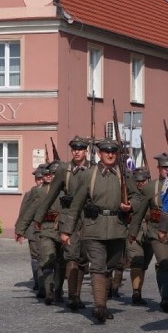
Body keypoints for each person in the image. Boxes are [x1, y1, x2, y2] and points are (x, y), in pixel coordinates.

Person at [60, 138, 138, 323]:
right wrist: (67, 230)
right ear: (100, 154)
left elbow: (138, 197)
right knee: (98, 267)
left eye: (113, 152)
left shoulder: (124, 175)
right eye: (106, 152)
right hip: (94, 228)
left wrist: (130, 205)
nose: (110, 155)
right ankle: (100, 306)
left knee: (110, 265)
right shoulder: (89, 175)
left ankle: (102, 301)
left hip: (117, 228)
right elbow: (76, 205)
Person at [32, 136, 93, 311]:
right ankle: (73, 296)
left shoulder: (93, 169)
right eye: (74, 149)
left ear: (85, 151)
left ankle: (78, 294)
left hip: (88, 217)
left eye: (80, 149)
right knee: (71, 256)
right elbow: (51, 195)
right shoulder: (64, 170)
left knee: (83, 258)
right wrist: (39, 216)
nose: (77, 152)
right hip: (68, 217)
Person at [130, 153, 168, 313]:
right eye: (164, 167)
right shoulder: (150, 187)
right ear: (159, 168)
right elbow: (140, 212)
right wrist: (133, 232)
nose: (166, 170)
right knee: (164, 262)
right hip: (156, 229)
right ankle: (165, 298)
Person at [16, 161, 65, 305]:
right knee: (47, 259)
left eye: (55, 174)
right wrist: (20, 230)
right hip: (46, 228)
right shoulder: (41, 191)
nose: (51, 176)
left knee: (61, 263)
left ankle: (58, 290)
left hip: (63, 229)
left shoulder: (67, 190)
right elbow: (29, 211)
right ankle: (49, 291)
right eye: (50, 174)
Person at [15, 164, 47, 298]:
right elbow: (24, 213)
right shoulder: (30, 194)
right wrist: (19, 230)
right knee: (36, 257)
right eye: (37, 179)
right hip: (33, 229)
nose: (39, 181)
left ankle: (49, 284)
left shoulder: (51, 191)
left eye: (41, 179)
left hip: (48, 228)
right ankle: (39, 282)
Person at [126, 167, 154, 306]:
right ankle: (136, 292)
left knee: (144, 264)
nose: (141, 183)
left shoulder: (154, 191)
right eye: (138, 181)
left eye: (143, 180)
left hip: (151, 231)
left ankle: (138, 290)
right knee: (136, 261)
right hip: (134, 231)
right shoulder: (130, 194)